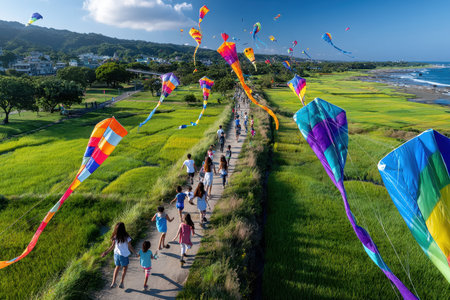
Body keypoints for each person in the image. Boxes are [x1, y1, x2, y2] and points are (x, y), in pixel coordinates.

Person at [101, 222, 137, 289]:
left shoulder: (115, 236)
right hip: (124, 255)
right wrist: (136, 253)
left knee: (117, 267)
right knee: (125, 268)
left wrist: (106, 252)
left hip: (116, 254)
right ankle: (122, 282)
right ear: (124, 228)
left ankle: (113, 282)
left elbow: (112, 247)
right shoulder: (127, 237)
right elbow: (130, 247)